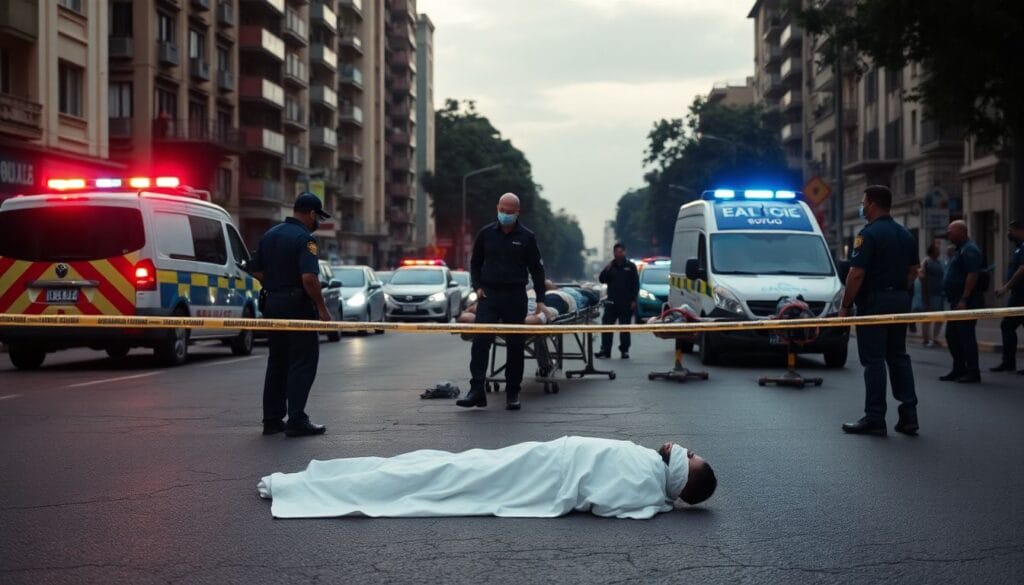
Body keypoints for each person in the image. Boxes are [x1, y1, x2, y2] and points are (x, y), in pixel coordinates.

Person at [257, 436, 717, 519]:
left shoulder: (646, 483)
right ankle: (316, 483)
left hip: (536, 474)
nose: (683, 448)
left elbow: (598, 496)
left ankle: (301, 488)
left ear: (680, 475)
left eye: (689, 457)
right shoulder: (650, 477)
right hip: (538, 459)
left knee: (443, 476)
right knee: (435, 463)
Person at [248, 193, 332, 437]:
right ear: (312, 214)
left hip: (272, 304)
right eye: (318, 218)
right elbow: (309, 278)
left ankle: (272, 420)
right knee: (303, 361)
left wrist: (277, 284)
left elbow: (255, 270)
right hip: (297, 307)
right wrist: (322, 308)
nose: (318, 224)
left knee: (277, 361)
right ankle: (296, 419)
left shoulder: (269, 235)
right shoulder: (305, 239)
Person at [839, 186, 920, 436]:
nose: (862, 206)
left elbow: (856, 274)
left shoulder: (868, 235)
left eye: (863, 202)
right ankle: (909, 414)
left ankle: (875, 417)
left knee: (874, 360)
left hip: (875, 303)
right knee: (898, 356)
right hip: (900, 300)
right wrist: (901, 294)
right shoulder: (905, 234)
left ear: (873, 204)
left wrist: (845, 305)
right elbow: (913, 271)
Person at [457, 193, 546, 411]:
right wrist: (477, 287)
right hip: (489, 296)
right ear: (497, 208)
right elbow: (475, 262)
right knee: (480, 342)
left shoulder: (526, 237)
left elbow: (537, 269)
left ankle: (513, 392)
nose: (505, 215)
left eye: (509, 212)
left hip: (515, 296)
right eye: (502, 210)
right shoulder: (486, 234)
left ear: (518, 212)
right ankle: (476, 390)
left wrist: (541, 300)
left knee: (515, 345)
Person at [941, 220, 984, 384]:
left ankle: (973, 372)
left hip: (965, 302)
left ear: (962, 232)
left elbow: (972, 275)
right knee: (952, 335)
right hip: (956, 302)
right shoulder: (960, 250)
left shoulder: (970, 249)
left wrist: (964, 298)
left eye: (951, 231)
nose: (948, 234)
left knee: (966, 336)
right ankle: (959, 368)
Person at [596, 243, 639, 359]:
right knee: (606, 326)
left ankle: (624, 350)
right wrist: (607, 268)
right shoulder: (611, 266)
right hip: (611, 303)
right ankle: (605, 350)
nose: (618, 254)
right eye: (616, 252)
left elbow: (635, 285)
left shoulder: (631, 266)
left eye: (621, 252)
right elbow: (601, 279)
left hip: (626, 303)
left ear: (624, 252)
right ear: (614, 253)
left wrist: (634, 300)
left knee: (624, 328)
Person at [992, 219, 1024, 374]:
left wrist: (1006, 287)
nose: (1008, 234)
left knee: (1007, 325)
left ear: (1020, 230)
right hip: (1018, 294)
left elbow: (1022, 269)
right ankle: (1008, 362)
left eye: (1011, 230)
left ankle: (1008, 362)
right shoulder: (1019, 248)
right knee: (1008, 326)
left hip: (1021, 296)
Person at [920, 241, 946, 347]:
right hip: (930, 294)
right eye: (937, 249)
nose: (939, 251)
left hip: (939, 293)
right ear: (932, 251)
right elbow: (922, 277)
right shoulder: (926, 261)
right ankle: (926, 338)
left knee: (940, 317)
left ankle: (935, 337)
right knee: (927, 317)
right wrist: (925, 295)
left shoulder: (939, 262)